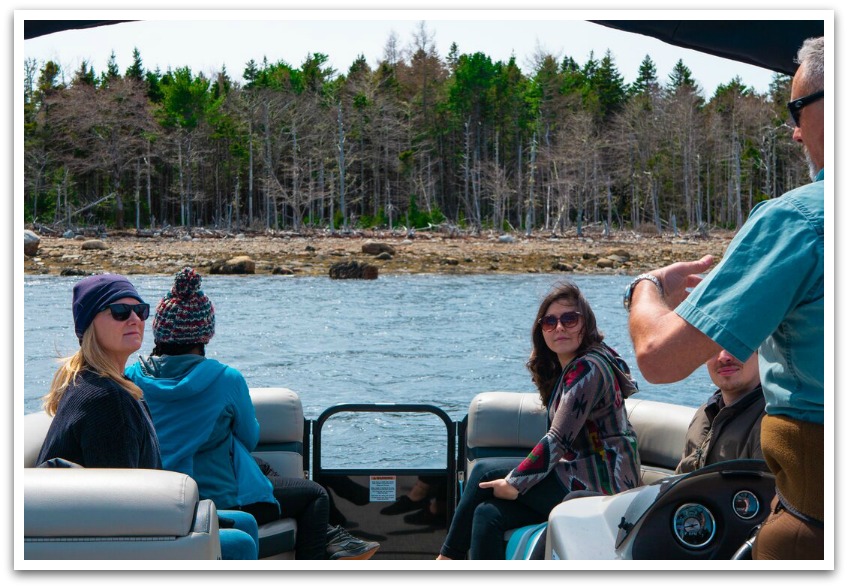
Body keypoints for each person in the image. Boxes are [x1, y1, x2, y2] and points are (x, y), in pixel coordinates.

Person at [626, 37, 824, 559]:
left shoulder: (800, 222)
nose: (793, 130)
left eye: (795, 110)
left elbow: (659, 358)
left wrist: (646, 288)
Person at [126, 267, 380, 560]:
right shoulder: (225, 378)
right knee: (314, 495)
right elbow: (248, 437)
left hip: (161, 503)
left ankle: (336, 537)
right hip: (221, 500)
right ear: (205, 334)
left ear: (159, 330)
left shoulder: (131, 377)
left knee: (261, 467)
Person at [35, 273, 258, 560]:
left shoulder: (103, 383)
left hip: (106, 523)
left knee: (245, 523)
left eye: (140, 310)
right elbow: (124, 509)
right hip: (111, 542)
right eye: (119, 312)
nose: (134, 319)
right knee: (240, 543)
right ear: (90, 323)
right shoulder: (106, 400)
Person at [437, 281, 641, 559]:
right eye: (550, 321)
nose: (559, 328)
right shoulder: (572, 367)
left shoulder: (589, 368)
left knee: (484, 471)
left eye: (570, 319)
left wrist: (516, 483)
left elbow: (558, 439)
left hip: (604, 483)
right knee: (488, 513)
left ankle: (445, 562)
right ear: (541, 330)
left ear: (586, 324)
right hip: (577, 474)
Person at [676, 349, 764, 474]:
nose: (724, 357)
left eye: (735, 342)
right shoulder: (705, 413)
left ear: (762, 351)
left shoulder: (772, 421)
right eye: (713, 346)